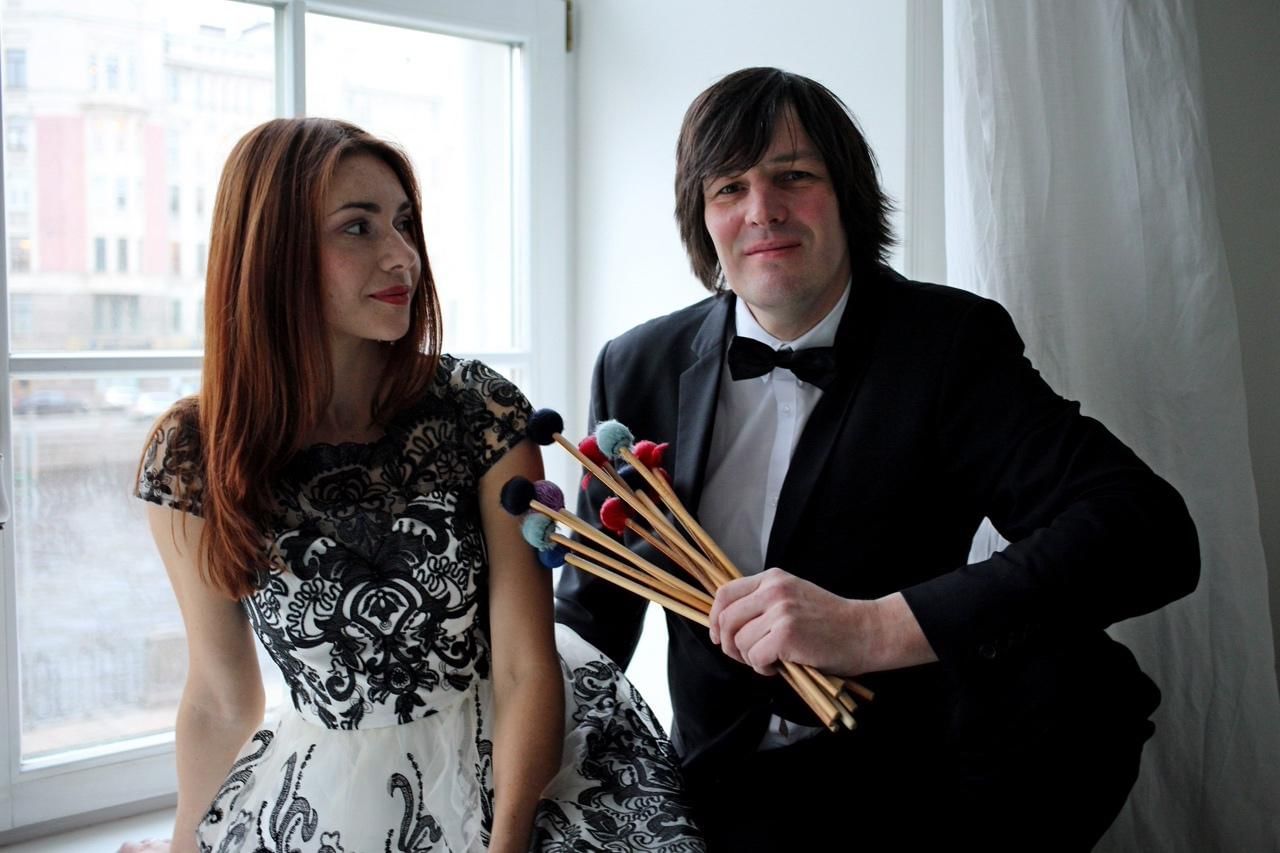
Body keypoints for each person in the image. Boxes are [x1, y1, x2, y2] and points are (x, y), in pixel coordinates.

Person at [555, 67, 1200, 851]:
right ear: (703, 215)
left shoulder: (949, 345)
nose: (762, 210)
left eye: (793, 176)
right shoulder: (637, 365)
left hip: (914, 774)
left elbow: (1148, 530)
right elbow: (593, 615)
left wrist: (874, 627)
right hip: (723, 785)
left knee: (1084, 677)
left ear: (847, 195)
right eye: (729, 188)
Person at [125, 117, 703, 853]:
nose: (404, 255)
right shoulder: (192, 455)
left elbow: (525, 666)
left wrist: (507, 843)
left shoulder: (479, 409)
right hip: (332, 790)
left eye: (403, 223)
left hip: (529, 764)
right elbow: (217, 698)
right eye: (358, 227)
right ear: (271, 250)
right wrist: (186, 841)